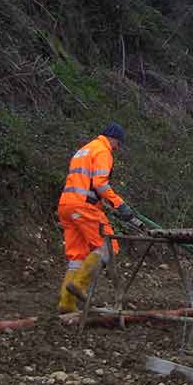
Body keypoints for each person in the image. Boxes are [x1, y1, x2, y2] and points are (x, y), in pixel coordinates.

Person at [55, 123, 132, 312]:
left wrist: (101, 203)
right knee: (108, 246)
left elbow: (85, 183)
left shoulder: (83, 150)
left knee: (77, 255)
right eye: (118, 144)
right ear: (113, 138)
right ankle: (79, 286)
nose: (118, 148)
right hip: (83, 207)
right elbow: (100, 184)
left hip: (66, 205)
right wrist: (119, 204)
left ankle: (66, 303)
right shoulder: (103, 151)